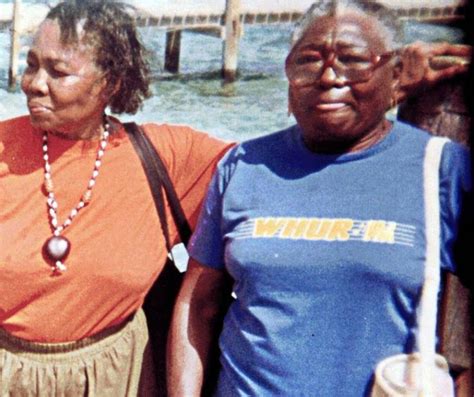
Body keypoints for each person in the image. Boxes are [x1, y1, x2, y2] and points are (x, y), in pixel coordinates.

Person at [167, 1, 472, 396]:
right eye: (309, 60)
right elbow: (197, 306)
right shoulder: (243, 164)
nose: (329, 76)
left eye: (352, 59)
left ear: (395, 73)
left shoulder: (442, 170)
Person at [0, 1, 232, 395]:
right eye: (32, 63)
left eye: (58, 71)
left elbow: (273, 176)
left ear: (112, 83)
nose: (34, 82)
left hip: (119, 377)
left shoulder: (165, 157)